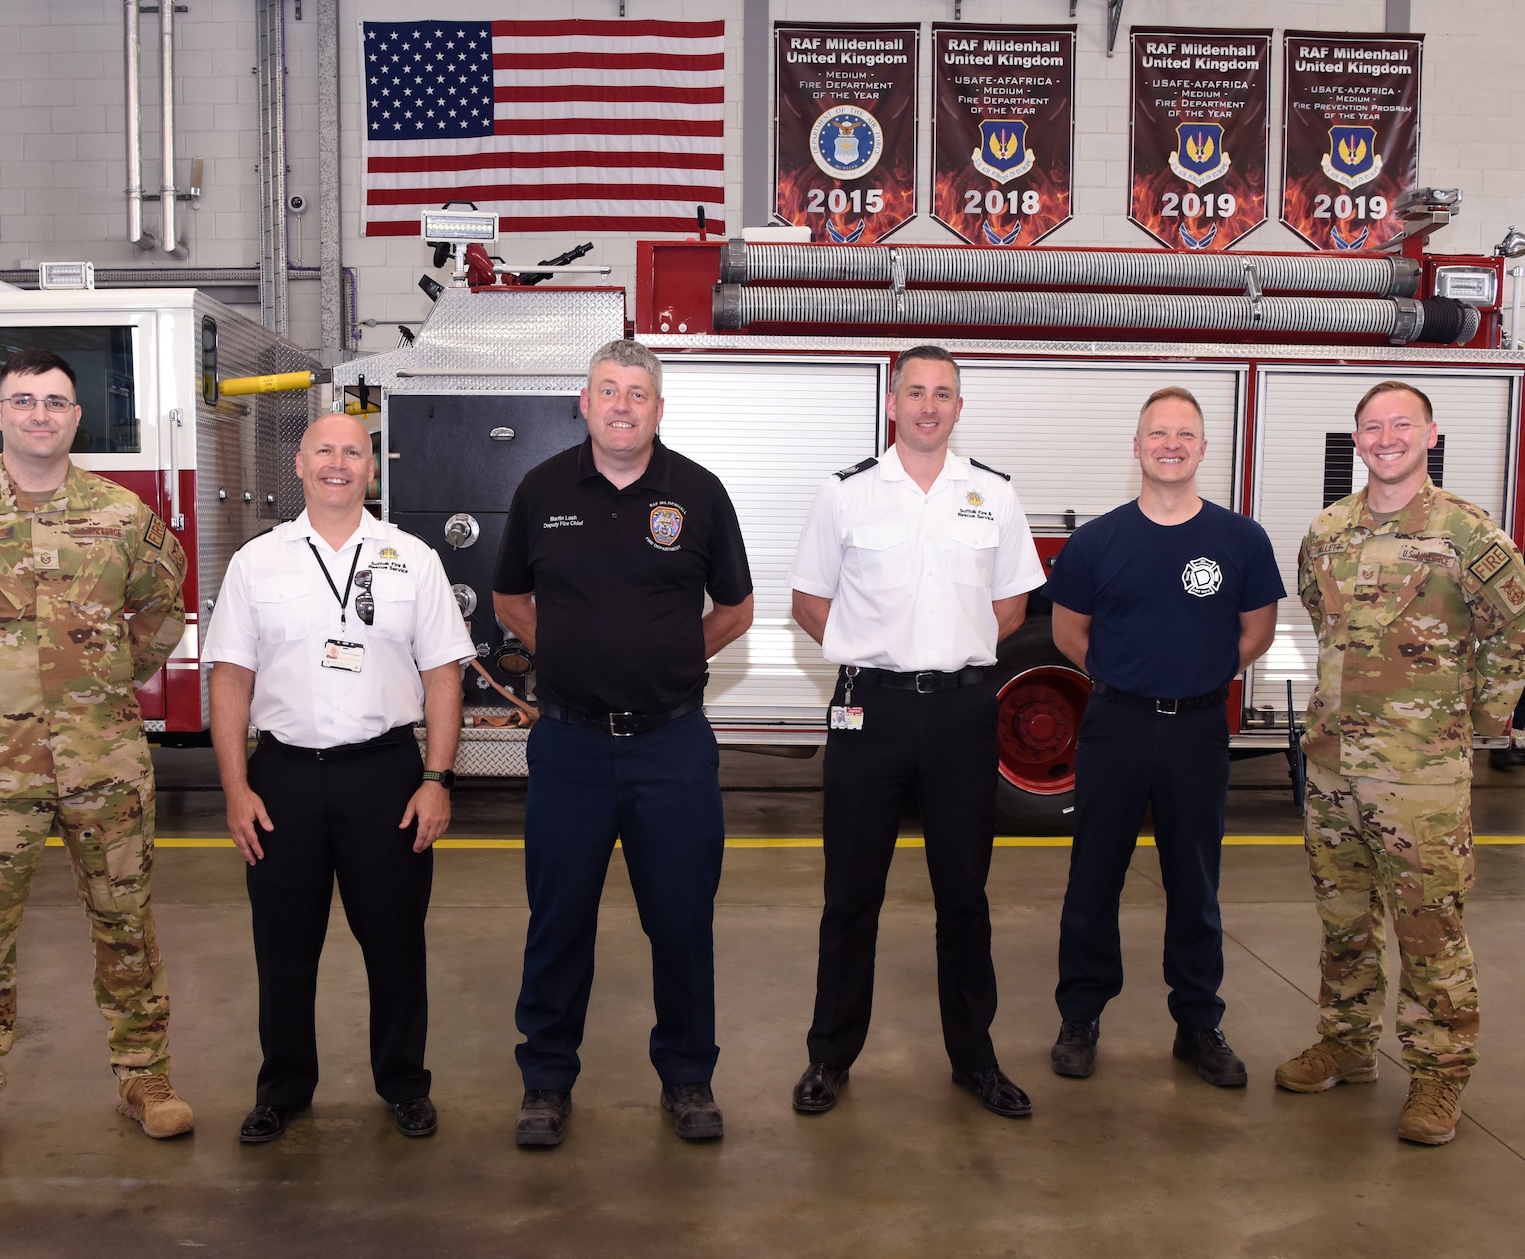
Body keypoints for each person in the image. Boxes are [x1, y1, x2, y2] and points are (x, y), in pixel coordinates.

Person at [0, 347, 192, 1172]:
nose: (40, 415)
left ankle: (145, 1079)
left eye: (55, 401)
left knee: (126, 921)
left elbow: (164, 610)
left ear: (78, 417)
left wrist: (103, 683)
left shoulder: (123, 516)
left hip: (105, 760)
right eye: (24, 401)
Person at [492, 339, 754, 1146]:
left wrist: (670, 659)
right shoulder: (541, 490)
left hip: (671, 747)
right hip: (569, 747)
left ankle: (688, 1077)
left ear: (658, 409)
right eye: (608, 390)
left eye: (637, 393)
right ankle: (545, 1080)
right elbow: (509, 597)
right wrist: (570, 652)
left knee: (680, 920)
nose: (621, 406)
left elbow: (736, 609)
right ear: (585, 402)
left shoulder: (700, 494)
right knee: (559, 918)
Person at [786, 344, 1045, 1120]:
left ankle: (975, 1057)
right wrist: (872, 653)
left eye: (944, 393)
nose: (929, 405)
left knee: (963, 896)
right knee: (850, 894)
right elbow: (808, 598)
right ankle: (829, 1056)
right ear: (892, 403)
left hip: (963, 713)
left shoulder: (993, 495)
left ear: (959, 408)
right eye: (916, 392)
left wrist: (948, 656)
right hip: (871, 713)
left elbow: (1011, 607)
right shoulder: (848, 494)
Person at [204, 413, 475, 1144]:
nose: (337, 462)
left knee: (394, 942)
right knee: (283, 944)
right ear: (298, 464)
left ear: (371, 468)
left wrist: (437, 777)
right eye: (323, 449)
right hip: (283, 778)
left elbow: (443, 674)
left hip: (384, 776)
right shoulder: (256, 562)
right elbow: (230, 678)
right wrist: (236, 787)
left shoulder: (412, 559)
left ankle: (403, 1083)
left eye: (353, 451)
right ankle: (283, 1088)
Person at [1279, 380, 1525, 1145]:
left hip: (1419, 777)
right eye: (1372, 427)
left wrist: (1475, 722)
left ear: (1430, 434)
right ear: (1357, 442)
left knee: (1429, 929)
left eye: (1401, 425)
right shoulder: (1328, 530)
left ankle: (1438, 1077)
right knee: (1343, 920)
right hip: (1331, 769)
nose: (1386, 437)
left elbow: (1514, 628)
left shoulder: (1467, 532)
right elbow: (1323, 623)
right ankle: (1348, 1045)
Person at [1043, 387, 1284, 1087]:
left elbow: (1257, 631)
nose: (1171, 444)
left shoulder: (1241, 539)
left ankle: (1199, 1022)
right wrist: (1131, 680)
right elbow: (1067, 635)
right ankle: (1080, 1015)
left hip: (1200, 728)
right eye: (1158, 433)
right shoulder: (1096, 541)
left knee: (1195, 879)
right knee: (1094, 877)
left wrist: (1195, 677)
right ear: (1138, 446)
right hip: (1115, 724)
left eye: (1185, 433)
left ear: (1203, 448)